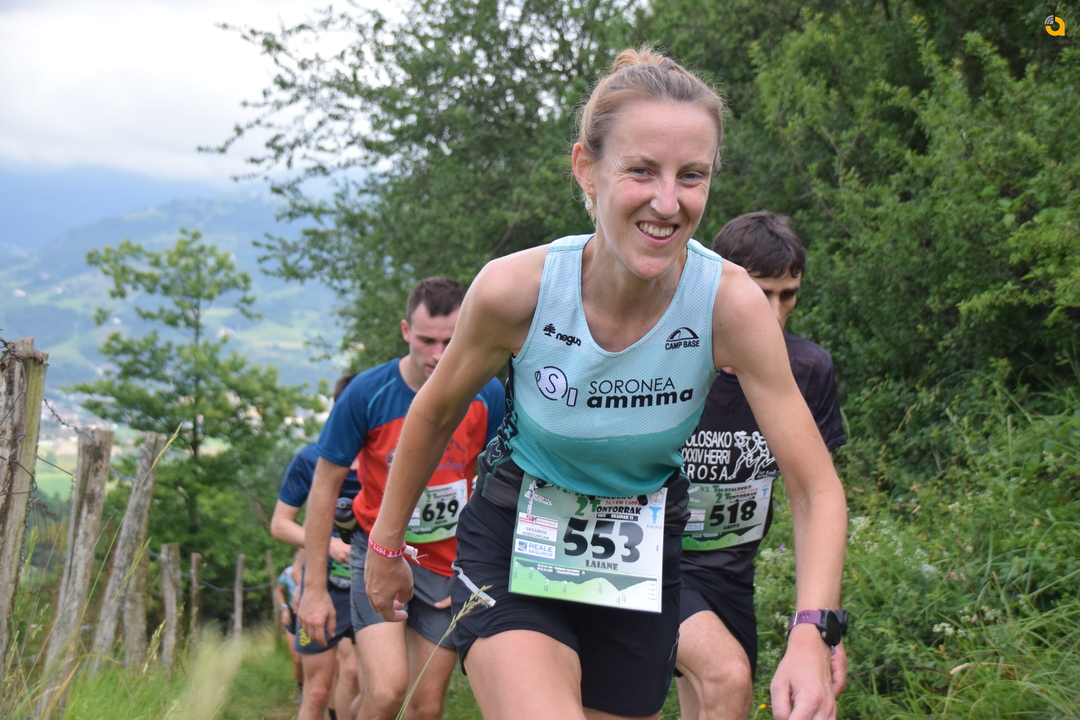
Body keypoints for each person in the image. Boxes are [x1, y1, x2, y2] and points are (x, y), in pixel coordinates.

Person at [357, 47, 848, 720]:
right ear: (587, 169)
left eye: (692, 175)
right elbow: (435, 412)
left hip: (639, 560)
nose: (667, 203)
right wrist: (386, 545)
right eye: (641, 170)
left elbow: (815, 486)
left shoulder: (729, 303)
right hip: (516, 538)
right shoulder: (516, 289)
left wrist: (813, 630)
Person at [298, 277, 505, 720]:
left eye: (450, 341)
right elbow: (323, 488)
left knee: (425, 708)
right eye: (427, 340)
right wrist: (313, 590)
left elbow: (495, 485)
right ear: (406, 331)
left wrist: (474, 570)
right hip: (379, 551)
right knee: (387, 692)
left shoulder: (487, 392)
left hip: (447, 565)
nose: (438, 355)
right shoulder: (366, 393)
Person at [675, 212, 849, 720]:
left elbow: (814, 500)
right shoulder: (674, 356)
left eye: (787, 294)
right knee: (728, 676)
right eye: (759, 292)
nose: (773, 312)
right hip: (653, 563)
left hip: (731, 573)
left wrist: (824, 627)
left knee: (722, 700)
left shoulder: (807, 370)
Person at [271, 373, 362, 720]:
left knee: (361, 679)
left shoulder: (390, 456)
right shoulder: (311, 458)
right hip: (323, 586)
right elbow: (280, 524)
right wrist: (328, 545)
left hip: (372, 585)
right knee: (318, 691)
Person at [274, 548, 305, 702]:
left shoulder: (316, 571)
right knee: (297, 658)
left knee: (310, 657)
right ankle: (302, 690)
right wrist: (284, 608)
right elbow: (278, 591)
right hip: (293, 617)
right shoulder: (288, 572)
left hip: (308, 615)